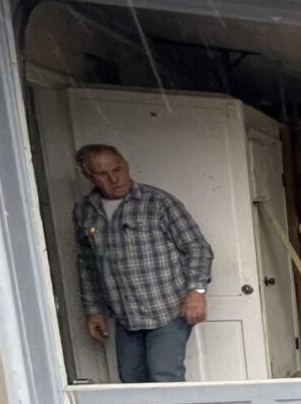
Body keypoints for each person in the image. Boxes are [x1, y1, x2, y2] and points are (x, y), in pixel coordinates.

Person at [73, 144, 214, 383]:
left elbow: (197, 248)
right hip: (125, 316)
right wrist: (93, 309)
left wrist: (197, 291)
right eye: (103, 174)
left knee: (164, 376)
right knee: (131, 381)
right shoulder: (85, 211)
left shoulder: (158, 202)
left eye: (118, 169)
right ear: (88, 176)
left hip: (166, 309)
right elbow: (87, 264)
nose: (114, 178)